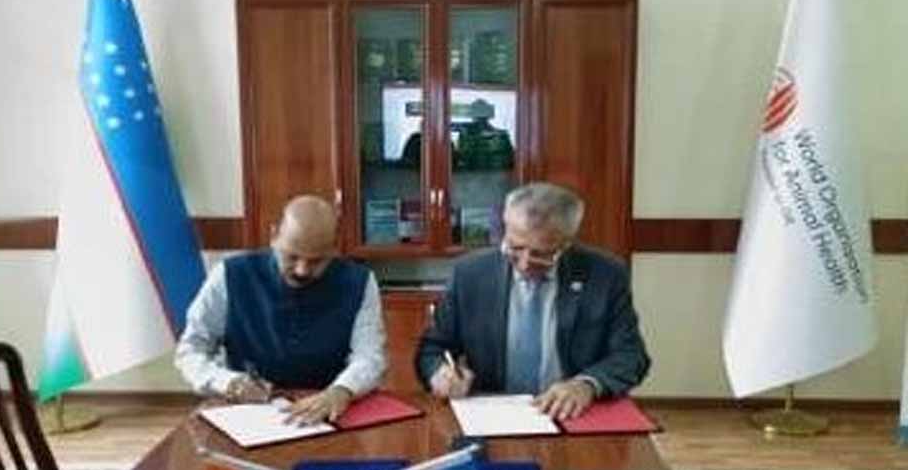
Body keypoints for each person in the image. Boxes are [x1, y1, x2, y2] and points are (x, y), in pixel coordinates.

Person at [415, 182, 650, 421]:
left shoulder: (605, 275)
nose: (525, 263)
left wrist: (586, 385)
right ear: (505, 229)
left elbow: (631, 356)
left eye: (541, 253)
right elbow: (433, 348)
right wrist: (439, 373)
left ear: (566, 243)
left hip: (571, 413)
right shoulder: (470, 274)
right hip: (492, 411)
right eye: (515, 247)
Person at [176, 195, 387, 424]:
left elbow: (370, 355)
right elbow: (191, 349)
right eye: (292, 256)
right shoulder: (229, 275)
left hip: (327, 411)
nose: (302, 270)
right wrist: (228, 382)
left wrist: (343, 390)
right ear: (274, 235)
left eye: (317, 261)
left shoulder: (361, 282)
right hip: (245, 410)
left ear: (334, 249)